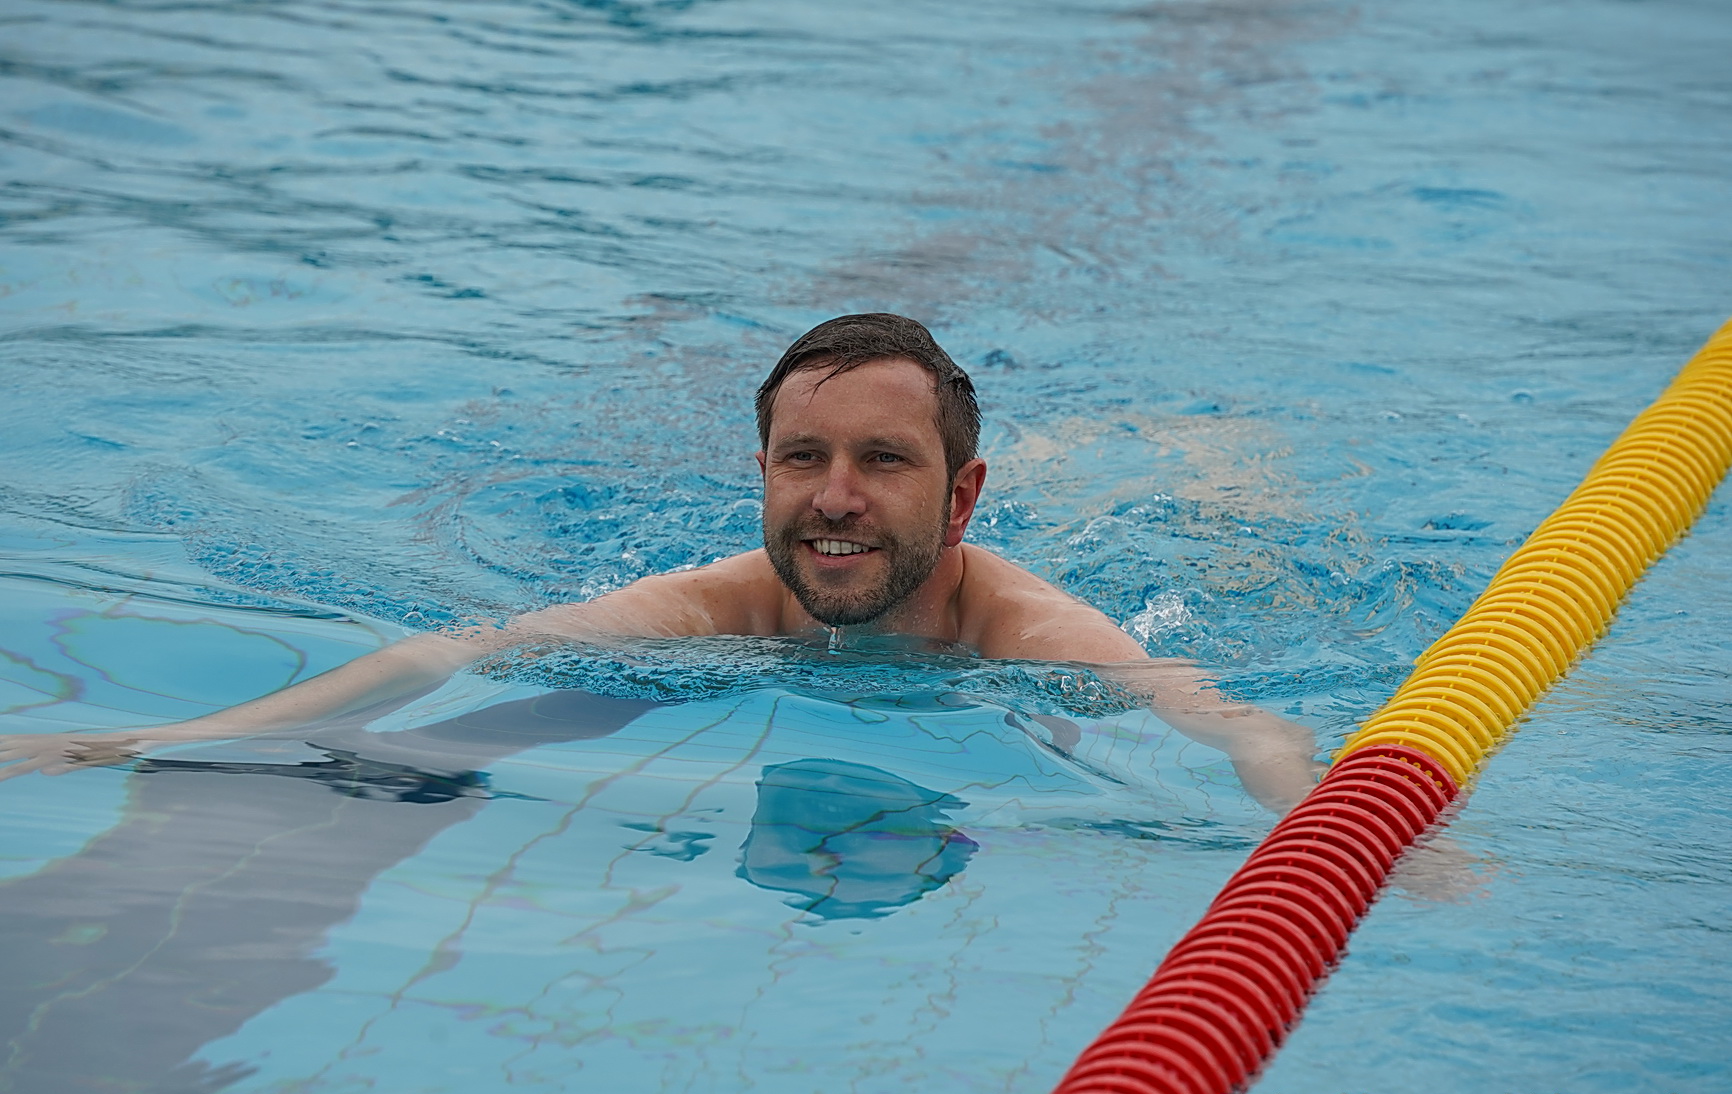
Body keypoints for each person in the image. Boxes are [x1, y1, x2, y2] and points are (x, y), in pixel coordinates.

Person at [0, 313, 1321, 810]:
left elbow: (1226, 720)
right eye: (803, 460)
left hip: (1168, 544)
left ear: (964, 497)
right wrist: (141, 745)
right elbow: (451, 655)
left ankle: (1187, 459)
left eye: (885, 461)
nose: (836, 501)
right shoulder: (714, 605)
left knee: (1221, 511)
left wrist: (1350, 849)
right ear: (760, 478)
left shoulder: (1025, 630)